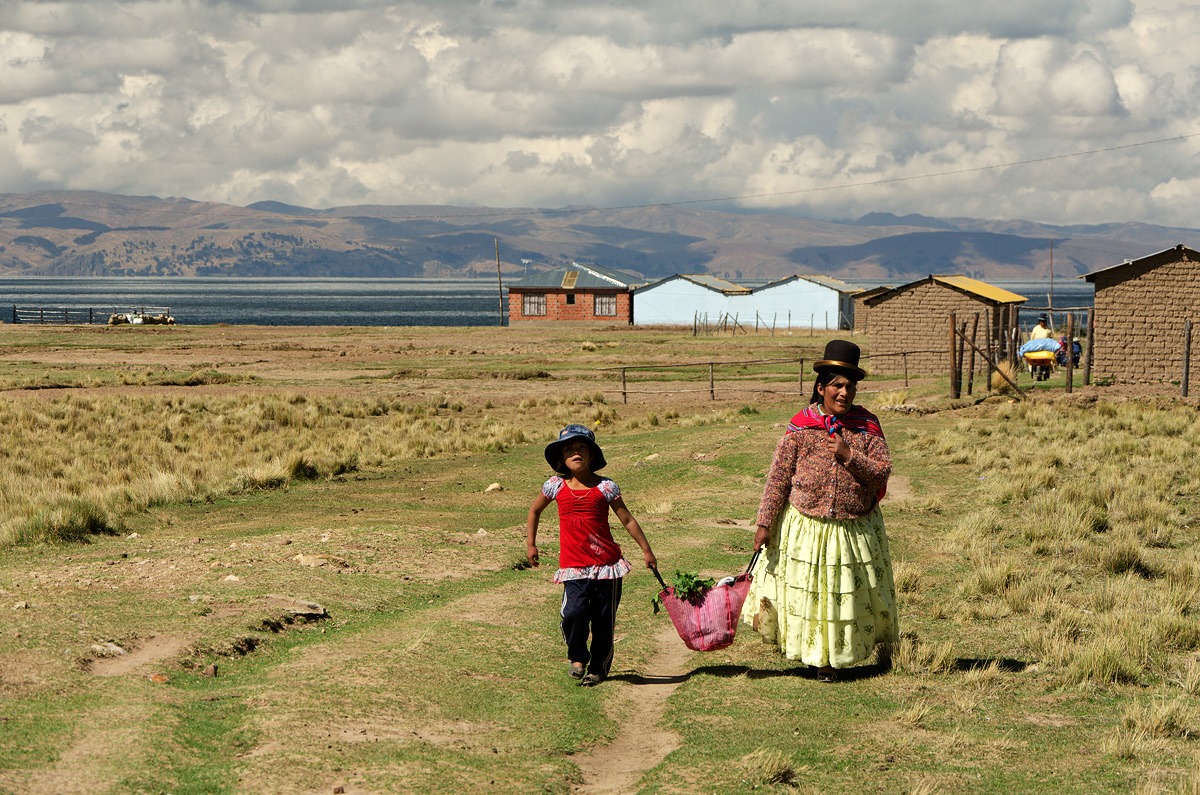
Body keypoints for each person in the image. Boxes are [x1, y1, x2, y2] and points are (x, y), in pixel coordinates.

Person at [742, 340, 897, 682]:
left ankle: (839, 657)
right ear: (821, 387)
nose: (844, 393)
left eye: (850, 387)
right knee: (811, 597)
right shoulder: (800, 427)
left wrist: (849, 454)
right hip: (806, 526)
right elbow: (779, 478)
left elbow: (883, 472)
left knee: (843, 599)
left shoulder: (866, 427)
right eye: (837, 385)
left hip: (850, 529)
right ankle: (817, 660)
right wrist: (764, 523)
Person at [526, 424, 657, 687]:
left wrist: (646, 550)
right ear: (561, 459)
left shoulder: (606, 487)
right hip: (573, 567)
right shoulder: (554, 486)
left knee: (602, 622)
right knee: (573, 613)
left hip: (607, 566)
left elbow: (627, 519)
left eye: (582, 447)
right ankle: (577, 657)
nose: (576, 452)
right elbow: (534, 511)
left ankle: (599, 668)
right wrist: (531, 544)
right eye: (569, 449)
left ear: (592, 455)